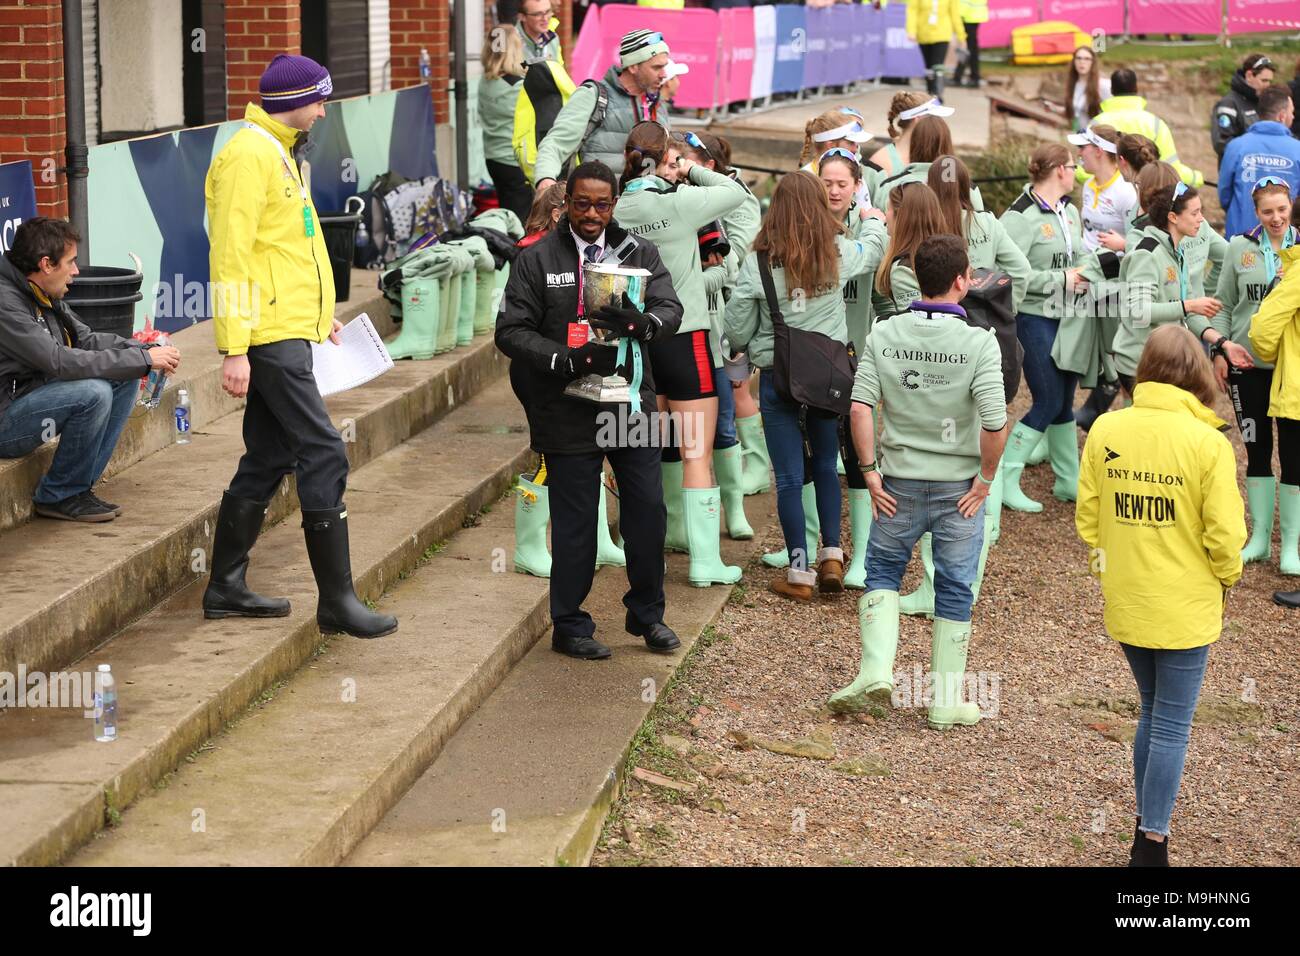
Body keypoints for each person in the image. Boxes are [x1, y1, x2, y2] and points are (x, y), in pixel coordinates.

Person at [202, 54, 396, 638]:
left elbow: (289, 250)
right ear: (292, 100)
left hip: (288, 329)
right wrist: (234, 347)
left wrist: (320, 320)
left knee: (267, 456)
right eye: (319, 99)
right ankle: (336, 601)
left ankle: (224, 587)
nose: (323, 109)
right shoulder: (248, 153)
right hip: (265, 337)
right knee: (324, 451)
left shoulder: (281, 148)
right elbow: (230, 258)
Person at [495, 160, 685, 659]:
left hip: (632, 402)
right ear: (566, 204)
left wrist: (641, 324)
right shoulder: (537, 259)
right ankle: (570, 624)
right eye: (582, 204)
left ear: (614, 203)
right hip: (566, 405)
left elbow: (672, 310)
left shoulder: (638, 251)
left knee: (647, 511)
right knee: (576, 519)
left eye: (602, 204)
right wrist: (564, 358)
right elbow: (510, 331)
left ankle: (648, 616)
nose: (592, 214)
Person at [1076, 325, 1246, 866]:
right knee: (1170, 719)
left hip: (1129, 598)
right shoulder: (1207, 443)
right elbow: (1224, 533)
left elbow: (1089, 519)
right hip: (1185, 603)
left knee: (1153, 710)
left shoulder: (1106, 428)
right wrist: (1228, 577)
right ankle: (1152, 842)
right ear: (1197, 374)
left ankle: (1145, 823)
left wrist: (1114, 564)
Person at [830, 234, 1007, 728]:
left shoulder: (884, 332)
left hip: (897, 483)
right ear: (960, 281)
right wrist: (985, 479)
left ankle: (876, 671)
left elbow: (861, 406)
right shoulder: (979, 342)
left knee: (883, 573)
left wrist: (868, 471)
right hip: (958, 490)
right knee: (954, 588)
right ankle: (944, 702)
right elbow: (995, 421)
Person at [725, 171, 887, 601]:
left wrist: (755, 339)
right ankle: (832, 555)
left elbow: (737, 326)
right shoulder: (834, 252)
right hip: (828, 379)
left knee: (790, 478)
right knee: (825, 465)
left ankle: (799, 572)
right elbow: (872, 251)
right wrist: (871, 217)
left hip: (779, 377)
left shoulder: (760, 261)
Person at [614, 122, 751, 587]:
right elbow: (736, 193)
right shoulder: (677, 203)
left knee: (648, 443)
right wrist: (690, 169)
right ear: (663, 161)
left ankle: (669, 533)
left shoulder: (615, 207)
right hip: (685, 334)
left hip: (633, 339)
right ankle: (704, 561)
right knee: (697, 450)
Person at [0, 218, 181, 522]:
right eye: (70, 263)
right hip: (6, 421)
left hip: (33, 397)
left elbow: (86, 339)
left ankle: (79, 488)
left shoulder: (39, 289)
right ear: (46, 264)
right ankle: (60, 495)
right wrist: (144, 360)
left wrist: (142, 352)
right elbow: (58, 361)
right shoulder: (6, 301)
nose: (76, 271)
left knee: (123, 376)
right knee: (93, 392)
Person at [680, 130, 764, 544]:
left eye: (684, 162)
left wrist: (706, 274)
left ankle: (734, 508)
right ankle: (683, 520)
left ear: (705, 167)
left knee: (726, 417)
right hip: (683, 329)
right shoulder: (674, 201)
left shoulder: (737, 200)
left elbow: (742, 263)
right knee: (676, 429)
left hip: (725, 327)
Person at [997, 143, 1090, 514]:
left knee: (1066, 397)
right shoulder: (1018, 217)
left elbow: (1080, 254)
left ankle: (1069, 480)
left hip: (1067, 315)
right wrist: (1062, 279)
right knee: (1048, 398)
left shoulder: (1070, 211)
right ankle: (1005, 476)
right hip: (1032, 315)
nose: (1077, 172)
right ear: (1058, 171)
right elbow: (1010, 275)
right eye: (1072, 166)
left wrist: (1088, 270)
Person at [1214, 179, 1299, 575]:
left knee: (1295, 458)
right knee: (1257, 450)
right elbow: (1225, 305)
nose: (1276, 218)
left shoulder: (1299, 248)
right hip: (1247, 368)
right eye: (1268, 211)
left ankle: (1291, 547)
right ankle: (1260, 538)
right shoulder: (1238, 247)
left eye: (1282, 209)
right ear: (1257, 213)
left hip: (1292, 371)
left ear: (1291, 206)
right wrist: (1221, 349)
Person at [1112, 180, 1253, 402]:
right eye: (1195, 213)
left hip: (1162, 360)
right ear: (1173, 217)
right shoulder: (1146, 254)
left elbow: (1187, 313)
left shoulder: (1177, 253)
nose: (1201, 220)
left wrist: (1223, 343)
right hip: (1137, 363)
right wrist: (1189, 305)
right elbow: (1139, 311)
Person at [532, 29, 671, 191]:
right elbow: (555, 143)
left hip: (646, 204)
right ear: (633, 67)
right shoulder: (593, 95)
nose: (664, 74)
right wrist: (545, 178)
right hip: (599, 205)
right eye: (657, 67)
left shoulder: (657, 103)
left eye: (664, 66)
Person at [1249, 216, 1300, 608]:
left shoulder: (1295, 273)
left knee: (1296, 472)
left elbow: (1263, 330)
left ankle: (1289, 552)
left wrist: (1279, 356)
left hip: (1297, 396)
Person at [1099, 69, 1204, 188]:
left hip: (1105, 196)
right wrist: (1196, 177)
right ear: (1136, 88)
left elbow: (1083, 172)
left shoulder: (1097, 123)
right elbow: (1171, 168)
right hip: (1146, 191)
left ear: (1111, 90)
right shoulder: (1155, 123)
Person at [1219, 85, 1300, 240]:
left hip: (1241, 236)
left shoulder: (1236, 146)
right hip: (1285, 239)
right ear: (1282, 116)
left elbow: (1224, 194)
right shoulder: (1297, 149)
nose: (1294, 117)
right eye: (1292, 112)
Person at [874, 113, 983, 210]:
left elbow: (878, 226)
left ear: (913, 145)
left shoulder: (889, 186)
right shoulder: (968, 188)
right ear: (947, 144)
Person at [480, 25, 532, 224]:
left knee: (507, 216)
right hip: (514, 162)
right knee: (520, 223)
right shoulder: (518, 86)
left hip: (493, 157)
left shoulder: (486, 81)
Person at [1211, 53, 1275, 160]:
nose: (1267, 85)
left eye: (1270, 81)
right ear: (1249, 75)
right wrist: (1257, 150)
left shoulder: (1265, 102)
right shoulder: (1228, 104)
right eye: (1264, 80)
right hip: (1238, 172)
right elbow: (1221, 144)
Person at [905, 0, 965, 101]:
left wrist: (961, 36)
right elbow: (912, 10)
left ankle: (937, 93)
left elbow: (955, 14)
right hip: (923, 34)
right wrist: (911, 30)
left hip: (942, 34)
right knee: (928, 67)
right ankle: (930, 92)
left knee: (937, 65)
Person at [867, 91, 936, 179]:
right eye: (934, 118)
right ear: (917, 120)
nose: (939, 124)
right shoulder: (882, 161)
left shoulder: (930, 151)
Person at [1064, 45, 1110, 133]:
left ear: (1093, 62)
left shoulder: (1103, 85)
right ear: (1074, 61)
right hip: (1079, 136)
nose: (1082, 62)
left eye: (1087, 59)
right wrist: (1054, 108)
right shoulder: (1074, 84)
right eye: (1078, 58)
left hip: (1097, 138)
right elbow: (1078, 110)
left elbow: (1112, 113)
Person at [951, 0, 987, 89]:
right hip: (973, 14)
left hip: (967, 14)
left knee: (967, 47)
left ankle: (958, 77)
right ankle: (974, 77)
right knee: (972, 47)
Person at [516, 0, 564, 64]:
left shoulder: (553, 39)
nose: (545, 18)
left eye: (548, 11)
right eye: (538, 14)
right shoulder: (510, 42)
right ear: (522, 17)